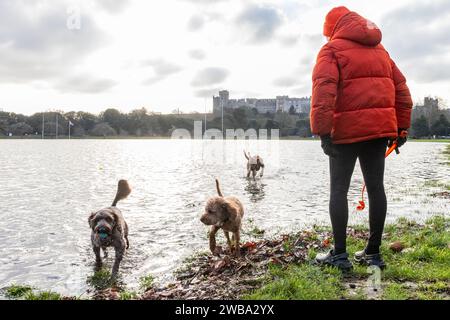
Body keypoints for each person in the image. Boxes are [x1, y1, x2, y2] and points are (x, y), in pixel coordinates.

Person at [310, 6, 412, 270]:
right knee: (376, 188)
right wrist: (401, 129)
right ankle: (373, 253)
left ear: (332, 29)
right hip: (379, 131)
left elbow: (324, 91)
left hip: (345, 132)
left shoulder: (331, 50)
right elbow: (402, 90)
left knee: (339, 190)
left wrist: (323, 132)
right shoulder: (381, 51)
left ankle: (340, 255)